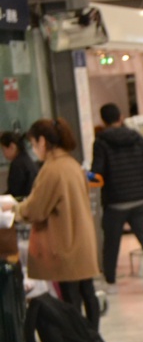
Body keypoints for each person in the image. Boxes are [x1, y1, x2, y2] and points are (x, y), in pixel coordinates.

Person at [16, 117, 100, 328]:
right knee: (87, 294)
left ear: (42, 141)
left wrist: (15, 209)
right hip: (81, 242)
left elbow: (35, 209)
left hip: (64, 245)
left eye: (34, 144)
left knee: (70, 303)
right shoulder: (71, 164)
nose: (34, 150)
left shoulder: (52, 169)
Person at [91, 103, 143, 295]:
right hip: (139, 199)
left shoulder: (100, 142)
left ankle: (110, 282)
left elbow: (98, 171)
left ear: (103, 120)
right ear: (120, 117)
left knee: (111, 243)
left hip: (115, 201)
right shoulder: (136, 137)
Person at [1, 131, 38, 197]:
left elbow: (14, 192)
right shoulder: (26, 159)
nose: (3, 154)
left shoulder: (17, 165)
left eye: (3, 149)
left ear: (12, 147)